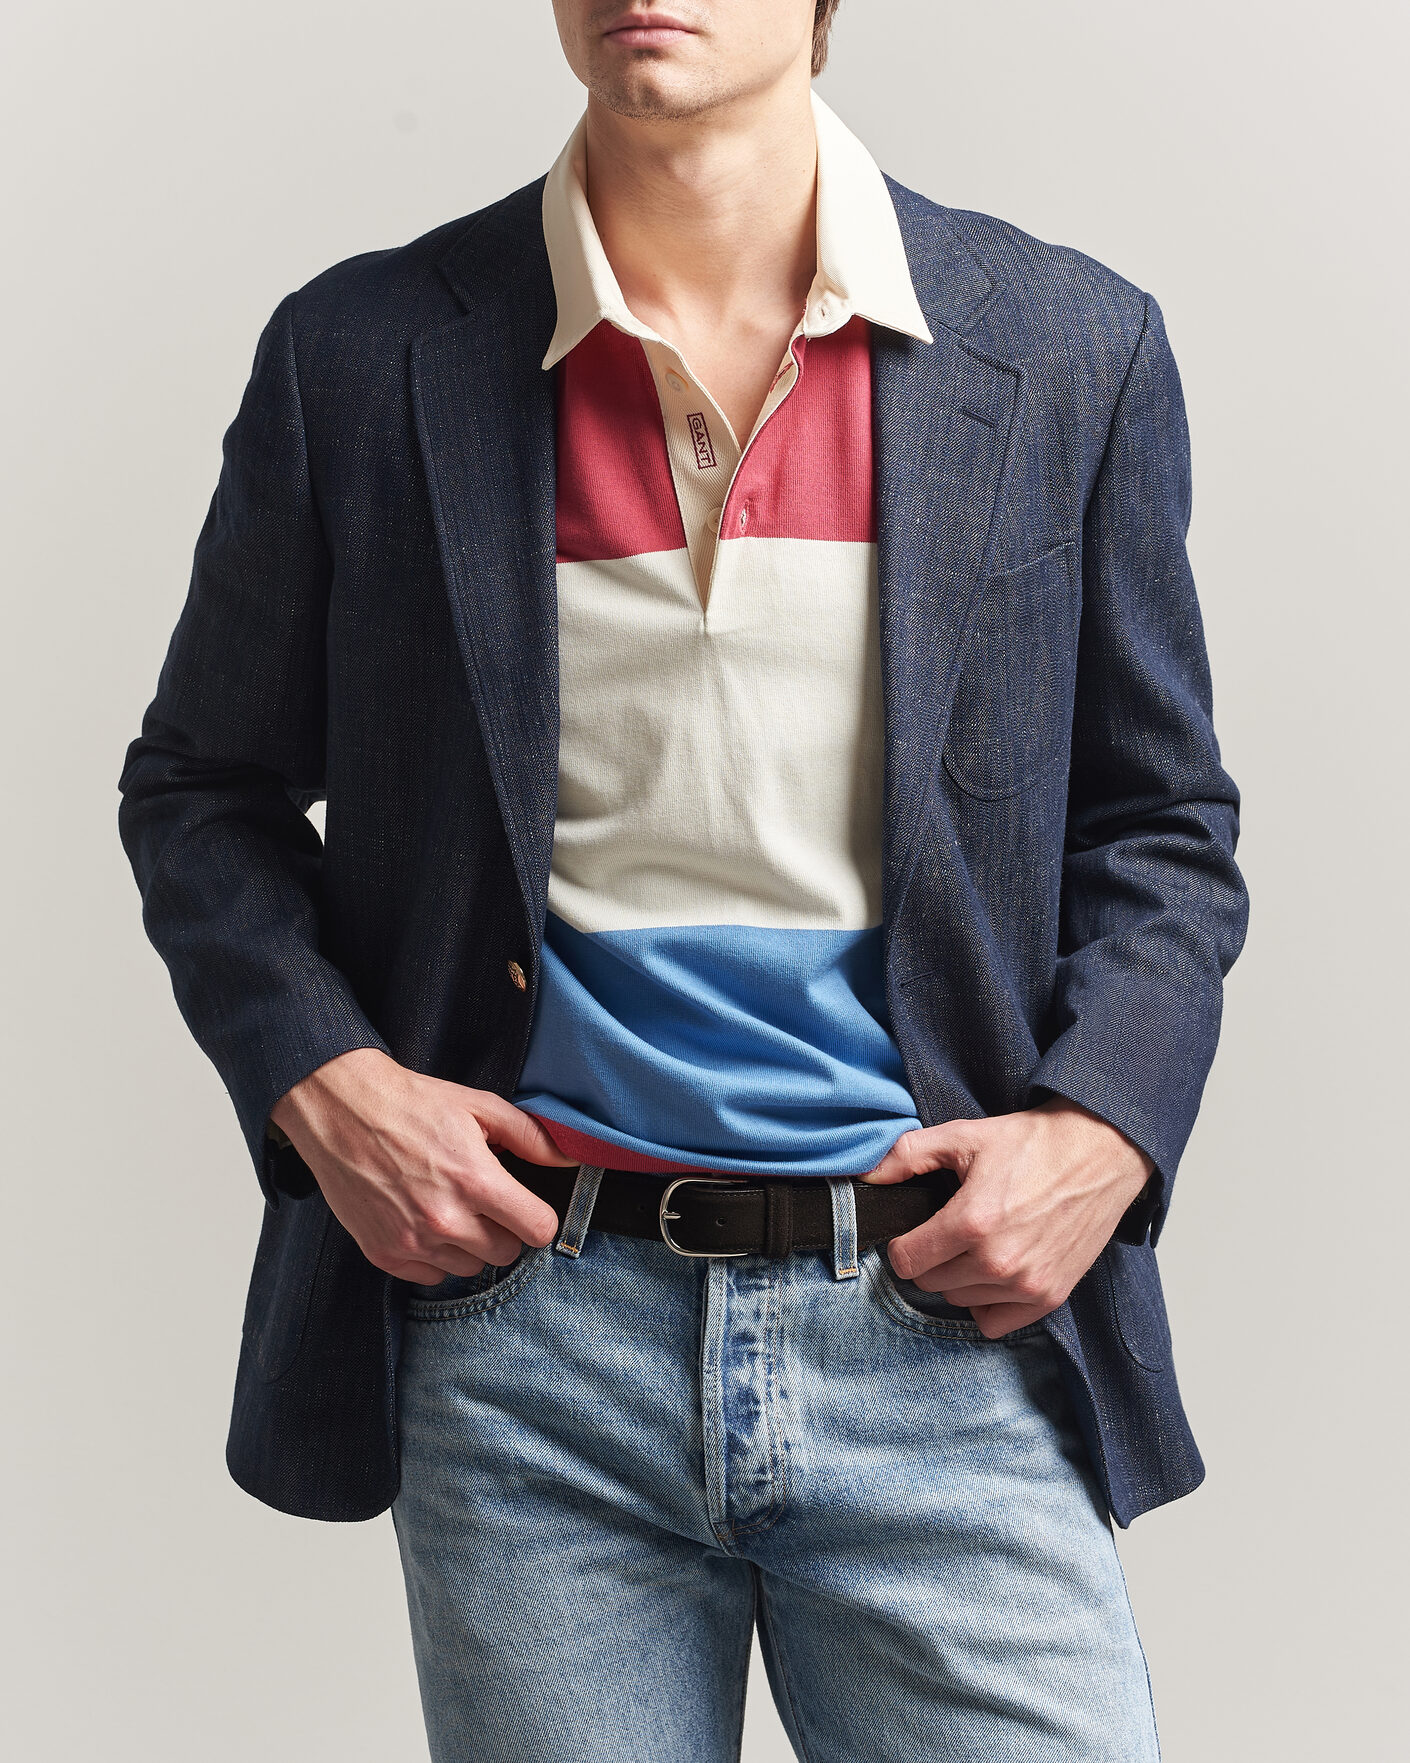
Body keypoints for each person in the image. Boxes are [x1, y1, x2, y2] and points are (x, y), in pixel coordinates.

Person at [117, 2, 1249, 1757]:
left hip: (938, 1324)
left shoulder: (1063, 344)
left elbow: (1158, 822)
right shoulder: (362, 353)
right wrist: (322, 1083)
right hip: (531, 1346)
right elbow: (206, 785)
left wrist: (1101, 1130)